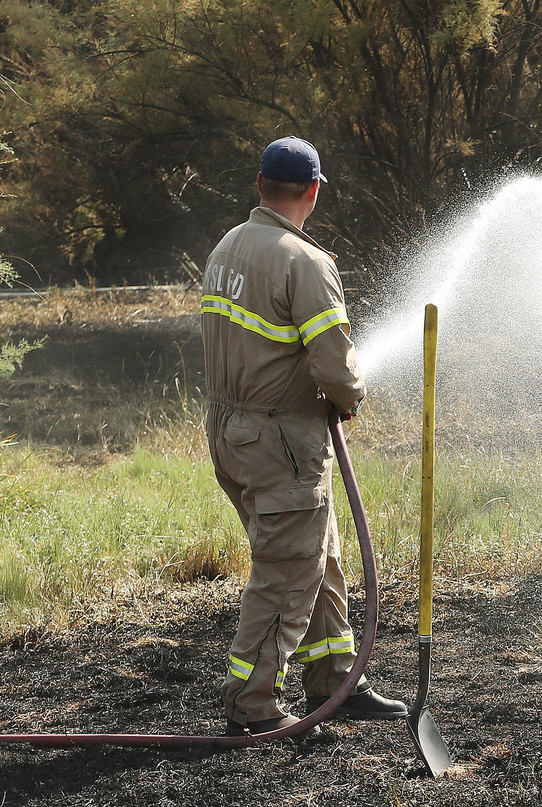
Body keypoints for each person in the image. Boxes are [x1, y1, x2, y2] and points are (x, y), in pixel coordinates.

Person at [201, 136, 406, 736]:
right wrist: (350, 399)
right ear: (313, 191)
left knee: (318, 557)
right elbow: (334, 365)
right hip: (281, 441)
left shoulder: (225, 249)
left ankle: (336, 679)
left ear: (259, 185)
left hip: (232, 434)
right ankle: (253, 704)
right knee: (289, 569)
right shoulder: (304, 261)